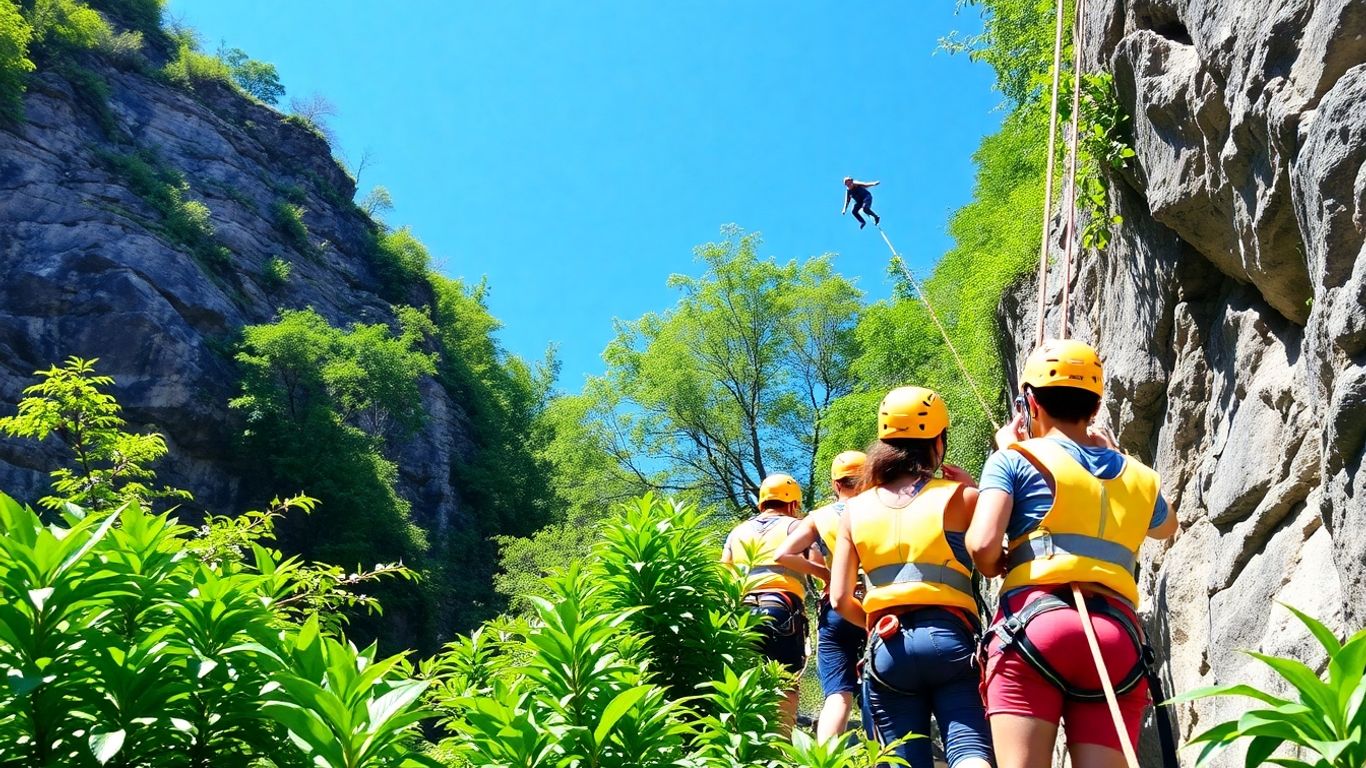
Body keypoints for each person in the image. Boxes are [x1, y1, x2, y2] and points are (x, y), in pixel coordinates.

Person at [966, 339, 1179, 768]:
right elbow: (1167, 527)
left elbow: (981, 544)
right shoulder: (1140, 476)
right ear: (1096, 406)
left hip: (1034, 628)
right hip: (1117, 636)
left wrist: (997, 562)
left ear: (1030, 402)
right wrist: (1114, 454)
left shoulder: (1015, 458)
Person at [829, 387, 994, 768]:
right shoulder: (960, 497)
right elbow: (995, 549)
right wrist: (974, 490)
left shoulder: (853, 511)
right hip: (951, 638)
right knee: (969, 748)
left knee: (899, 760)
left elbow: (839, 599)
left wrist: (873, 624)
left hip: (887, 644)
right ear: (939, 441)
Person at [772, 450, 868, 741]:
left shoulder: (819, 517)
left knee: (838, 695)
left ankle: (825, 758)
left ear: (836, 485)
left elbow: (783, 554)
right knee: (881, 688)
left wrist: (827, 576)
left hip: (836, 605)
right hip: (877, 604)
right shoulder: (884, 507)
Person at [722, 473, 814, 731]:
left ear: (763, 502)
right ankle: (781, 748)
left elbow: (724, 573)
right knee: (785, 684)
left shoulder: (737, 532)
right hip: (782, 610)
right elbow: (818, 564)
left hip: (742, 612)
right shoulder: (797, 527)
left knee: (746, 683)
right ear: (793, 503)